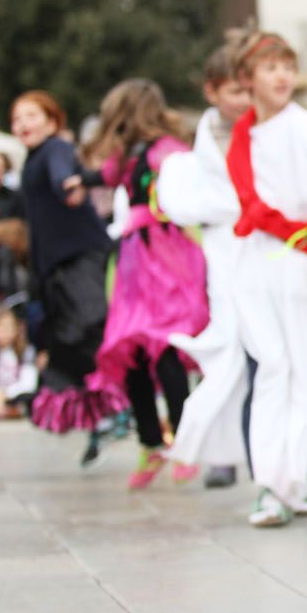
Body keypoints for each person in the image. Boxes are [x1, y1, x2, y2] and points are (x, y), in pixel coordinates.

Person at [224, 27, 307, 527]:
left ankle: (296, 476)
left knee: (301, 371)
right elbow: (248, 201)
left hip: (298, 259)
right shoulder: (242, 134)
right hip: (255, 260)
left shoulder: (304, 125)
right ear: (248, 77)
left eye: (288, 67)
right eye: (271, 67)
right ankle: (271, 483)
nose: (282, 76)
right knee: (271, 366)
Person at [81, 78, 210, 489]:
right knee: (131, 349)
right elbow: (100, 173)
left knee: (166, 349)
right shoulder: (128, 157)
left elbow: (187, 197)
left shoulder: (166, 152)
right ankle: (151, 441)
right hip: (135, 262)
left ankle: (184, 444)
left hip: (165, 257)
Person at [158, 45, 253, 490]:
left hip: (265, 245)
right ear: (212, 92)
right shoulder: (200, 147)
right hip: (225, 250)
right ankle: (219, 450)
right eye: (235, 90)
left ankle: (259, 445)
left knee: (267, 351)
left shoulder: (265, 128)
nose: (243, 98)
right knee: (226, 344)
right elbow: (190, 203)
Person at [12, 90, 123, 465]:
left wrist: (68, 186)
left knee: (90, 327)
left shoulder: (55, 150)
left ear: (52, 120)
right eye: (16, 119)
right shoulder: (32, 159)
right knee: (67, 342)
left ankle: (121, 406)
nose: (22, 124)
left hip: (79, 258)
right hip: (57, 266)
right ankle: (106, 414)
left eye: (30, 115)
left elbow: (63, 173)